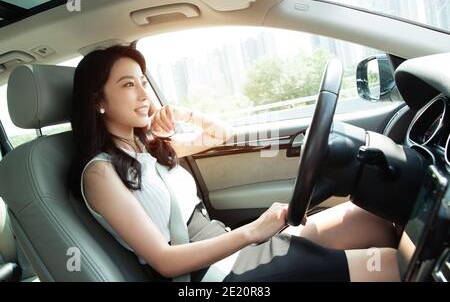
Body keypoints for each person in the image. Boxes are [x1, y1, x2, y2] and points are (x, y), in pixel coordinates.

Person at [69, 45, 400, 282]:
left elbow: (220, 133)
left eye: (143, 81)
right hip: (210, 276)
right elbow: (166, 262)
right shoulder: (100, 173)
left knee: (368, 218)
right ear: (98, 100)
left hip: (226, 245)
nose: (143, 93)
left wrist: (180, 114)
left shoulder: (149, 146)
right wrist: (254, 230)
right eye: (129, 84)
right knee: (386, 265)